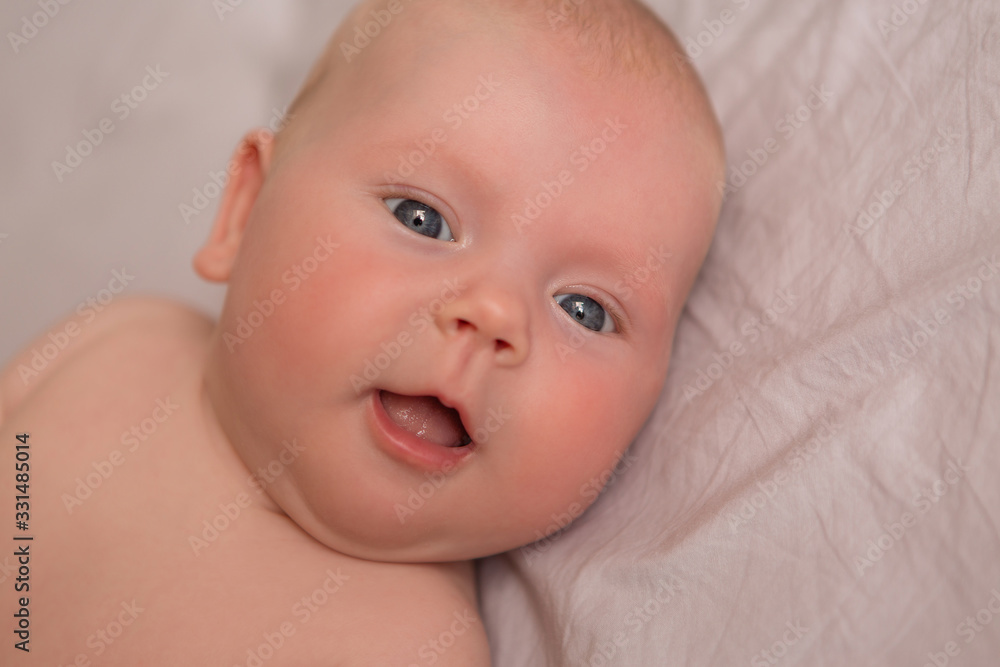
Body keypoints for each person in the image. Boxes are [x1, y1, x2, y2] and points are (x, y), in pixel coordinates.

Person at [0, 0, 724, 663]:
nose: (493, 314)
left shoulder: (410, 648)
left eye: (585, 309)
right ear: (246, 210)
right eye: (422, 218)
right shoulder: (109, 343)